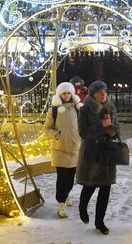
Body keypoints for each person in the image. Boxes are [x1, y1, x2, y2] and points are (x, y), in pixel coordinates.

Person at [76, 81, 119, 235]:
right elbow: (83, 133)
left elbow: (117, 131)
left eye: (105, 91)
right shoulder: (85, 109)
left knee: (105, 188)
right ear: (93, 94)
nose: (103, 94)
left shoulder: (110, 108)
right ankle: (82, 207)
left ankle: (100, 221)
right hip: (91, 153)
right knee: (90, 186)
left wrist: (112, 129)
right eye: (100, 92)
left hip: (107, 153)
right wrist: (102, 125)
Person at [44, 82, 82, 218]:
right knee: (62, 178)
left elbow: (82, 126)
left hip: (75, 150)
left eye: (68, 93)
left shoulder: (77, 108)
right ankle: (61, 204)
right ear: (59, 94)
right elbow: (47, 128)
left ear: (72, 94)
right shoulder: (53, 110)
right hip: (60, 149)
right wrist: (57, 134)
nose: (66, 96)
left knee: (71, 179)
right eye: (64, 93)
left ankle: (66, 196)